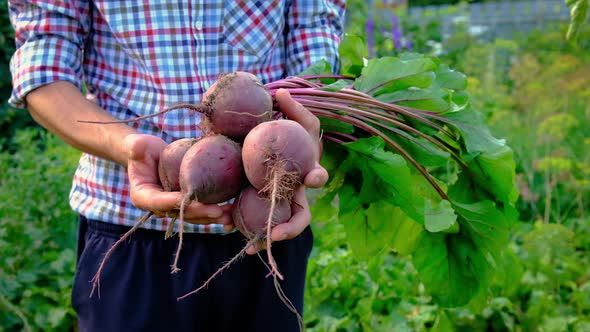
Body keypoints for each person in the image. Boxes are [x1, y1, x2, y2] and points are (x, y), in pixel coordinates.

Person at [8, 1, 345, 331]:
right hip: (126, 229)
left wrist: (303, 133)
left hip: (267, 223)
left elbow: (314, 31)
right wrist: (130, 147)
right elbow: (43, 68)